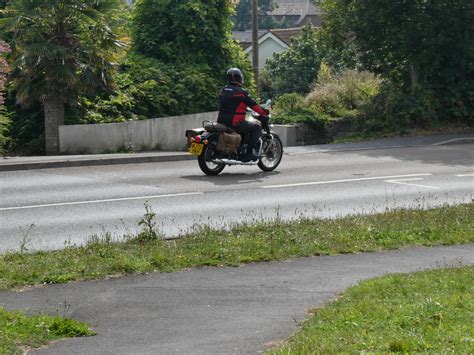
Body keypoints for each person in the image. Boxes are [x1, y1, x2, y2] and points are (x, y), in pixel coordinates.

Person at [217, 68, 269, 162]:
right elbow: (254, 105)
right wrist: (265, 113)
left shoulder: (223, 90)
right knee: (256, 128)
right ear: (239, 78)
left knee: (246, 128)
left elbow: (230, 103)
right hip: (235, 122)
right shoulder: (241, 92)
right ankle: (249, 154)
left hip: (221, 120)